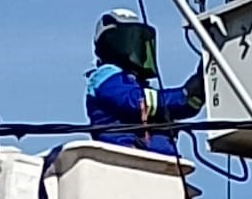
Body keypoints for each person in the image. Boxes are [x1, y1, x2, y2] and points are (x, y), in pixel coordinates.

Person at [85, 8, 205, 156]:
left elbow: (181, 106)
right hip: (123, 158)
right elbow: (136, 102)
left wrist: (201, 85)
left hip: (159, 163)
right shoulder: (105, 75)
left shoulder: (137, 84)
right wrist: (183, 95)